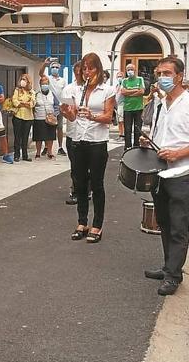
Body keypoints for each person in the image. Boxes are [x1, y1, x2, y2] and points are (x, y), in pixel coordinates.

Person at [141, 56, 189, 296]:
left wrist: (179, 152)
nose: (162, 78)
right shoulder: (160, 104)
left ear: (179, 76)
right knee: (165, 223)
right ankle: (169, 266)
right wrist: (149, 142)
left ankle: (172, 276)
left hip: (182, 173)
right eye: (159, 73)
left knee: (179, 227)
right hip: (159, 172)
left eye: (167, 73)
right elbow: (159, 134)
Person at [61, 53, 115, 243]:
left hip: (97, 141)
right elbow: (73, 117)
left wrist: (93, 116)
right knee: (80, 183)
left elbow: (109, 117)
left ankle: (97, 225)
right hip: (78, 140)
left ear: (98, 70)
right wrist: (66, 112)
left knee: (97, 184)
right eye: (84, 68)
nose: (87, 72)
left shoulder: (107, 90)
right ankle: (82, 222)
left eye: (91, 68)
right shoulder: (77, 90)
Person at [61, 60, 84, 205]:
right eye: (77, 72)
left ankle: (86, 189)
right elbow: (64, 110)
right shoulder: (68, 89)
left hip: (89, 134)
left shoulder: (93, 89)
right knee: (75, 166)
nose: (79, 74)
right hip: (73, 133)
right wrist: (68, 112)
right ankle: (76, 191)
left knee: (87, 167)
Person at [39, 58, 67, 156]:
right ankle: (46, 147)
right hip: (49, 106)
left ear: (59, 69)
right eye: (53, 67)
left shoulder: (63, 81)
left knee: (59, 127)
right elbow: (41, 73)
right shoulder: (48, 79)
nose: (55, 68)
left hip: (59, 107)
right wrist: (45, 64)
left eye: (56, 67)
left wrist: (63, 105)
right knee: (48, 127)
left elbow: (64, 93)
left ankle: (60, 147)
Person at [11, 73, 35, 162]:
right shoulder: (17, 90)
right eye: (22, 79)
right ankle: (16, 155)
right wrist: (24, 103)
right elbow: (15, 101)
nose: (23, 81)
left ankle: (25, 155)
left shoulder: (31, 91)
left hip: (28, 117)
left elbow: (32, 104)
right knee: (17, 137)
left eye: (25, 79)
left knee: (25, 137)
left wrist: (22, 103)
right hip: (18, 116)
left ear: (28, 81)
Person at [120, 63, 145, 149]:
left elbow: (142, 91)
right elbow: (123, 92)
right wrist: (135, 91)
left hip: (138, 108)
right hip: (127, 108)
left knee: (137, 129)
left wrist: (129, 92)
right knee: (127, 129)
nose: (130, 71)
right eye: (128, 69)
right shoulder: (124, 81)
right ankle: (127, 147)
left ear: (135, 70)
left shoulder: (140, 79)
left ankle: (136, 146)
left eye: (131, 69)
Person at [33, 76, 56, 159]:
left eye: (46, 84)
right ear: (40, 84)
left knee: (50, 137)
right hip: (39, 118)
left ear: (48, 84)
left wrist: (55, 114)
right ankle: (38, 153)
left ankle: (50, 152)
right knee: (38, 137)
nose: (44, 85)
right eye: (43, 84)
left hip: (50, 118)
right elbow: (33, 106)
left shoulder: (52, 94)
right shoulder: (36, 94)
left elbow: (56, 105)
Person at [115, 71, 125, 141]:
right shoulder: (117, 85)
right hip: (117, 105)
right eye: (118, 76)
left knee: (122, 121)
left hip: (122, 104)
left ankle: (123, 135)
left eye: (120, 76)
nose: (119, 78)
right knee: (119, 121)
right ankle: (120, 134)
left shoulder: (124, 84)